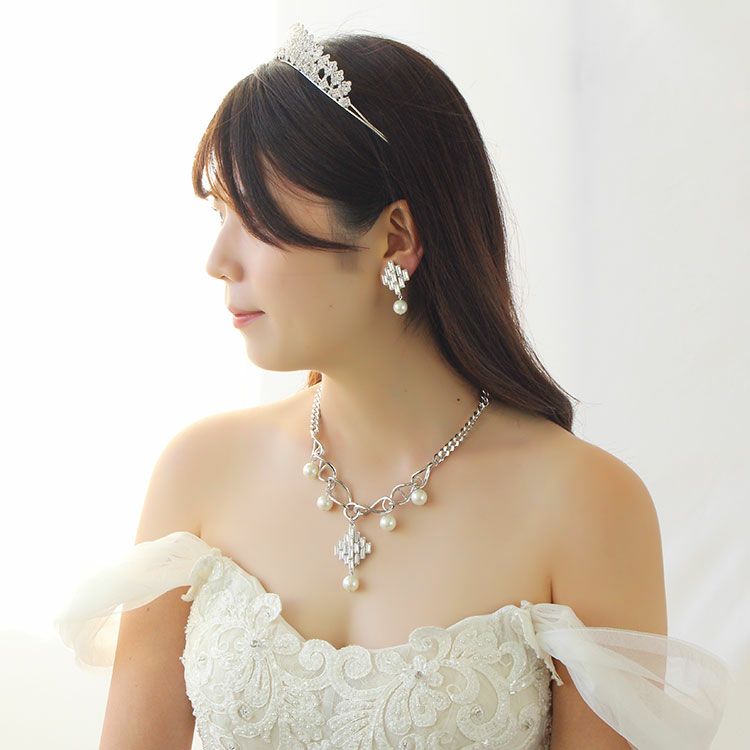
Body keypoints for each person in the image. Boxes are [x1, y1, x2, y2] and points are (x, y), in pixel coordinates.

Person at [54, 22, 731, 750]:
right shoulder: (199, 471)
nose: (218, 259)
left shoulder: (586, 504)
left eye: (253, 215)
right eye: (221, 214)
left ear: (396, 236)